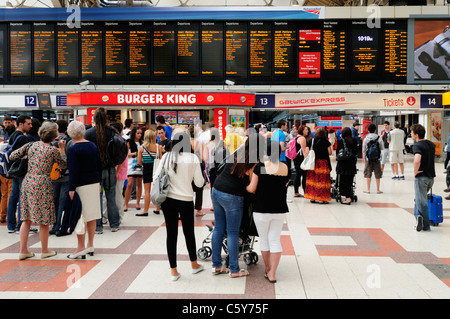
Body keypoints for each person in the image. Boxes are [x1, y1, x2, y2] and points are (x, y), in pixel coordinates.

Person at [10, 121, 67, 260]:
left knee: (26, 218)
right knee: (44, 220)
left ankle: (23, 250)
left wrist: (27, 157)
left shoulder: (31, 145)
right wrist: (62, 149)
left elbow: (12, 156)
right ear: (54, 137)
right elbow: (63, 165)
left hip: (28, 181)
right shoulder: (53, 151)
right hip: (43, 183)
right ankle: (44, 250)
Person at [153, 131, 205, 281]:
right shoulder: (193, 158)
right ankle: (194, 265)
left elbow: (156, 177)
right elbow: (199, 183)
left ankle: (173, 271)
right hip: (186, 200)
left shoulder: (167, 156)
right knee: (189, 233)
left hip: (168, 200)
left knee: (171, 234)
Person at [211, 134, 264, 278]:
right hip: (231, 196)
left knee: (219, 229)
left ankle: (216, 265)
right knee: (233, 233)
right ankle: (234, 269)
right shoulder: (253, 162)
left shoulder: (239, 152)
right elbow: (251, 188)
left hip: (216, 190)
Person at [246, 140, 290, 283]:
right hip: (279, 209)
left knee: (264, 240)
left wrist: (245, 188)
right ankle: (272, 273)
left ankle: (268, 268)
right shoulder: (286, 168)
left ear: (266, 153)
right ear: (280, 152)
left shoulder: (261, 167)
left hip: (261, 209)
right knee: (275, 240)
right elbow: (283, 185)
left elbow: (252, 189)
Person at [66, 121, 102, 259]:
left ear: (70, 133)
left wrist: (71, 188)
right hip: (93, 182)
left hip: (80, 184)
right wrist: (99, 182)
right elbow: (99, 165)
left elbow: (73, 170)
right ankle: (90, 244)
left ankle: (80, 247)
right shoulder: (92, 146)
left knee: (80, 216)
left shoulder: (74, 149)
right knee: (91, 215)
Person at [85, 107, 121, 233]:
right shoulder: (112, 131)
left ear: (94, 118)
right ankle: (114, 224)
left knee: (97, 198)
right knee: (111, 197)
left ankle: (98, 227)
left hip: (95, 170)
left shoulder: (89, 133)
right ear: (106, 118)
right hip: (110, 169)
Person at [6, 115, 33, 233]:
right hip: (22, 171)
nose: (30, 126)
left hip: (13, 170)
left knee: (13, 197)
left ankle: (11, 225)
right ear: (21, 124)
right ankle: (21, 226)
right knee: (23, 198)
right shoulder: (22, 138)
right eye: (28, 124)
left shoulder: (12, 136)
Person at [411, 124, 435, 232]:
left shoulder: (417, 145)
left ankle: (425, 225)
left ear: (416, 135)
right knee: (418, 199)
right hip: (431, 177)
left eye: (412, 132)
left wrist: (415, 171)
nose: (410, 134)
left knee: (422, 202)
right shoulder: (431, 144)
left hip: (421, 177)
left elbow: (417, 160)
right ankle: (418, 218)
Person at [50, 119, 71, 235]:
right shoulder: (69, 142)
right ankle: (60, 226)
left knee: (54, 202)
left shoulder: (51, 141)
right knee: (63, 203)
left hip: (53, 175)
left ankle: (54, 226)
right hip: (66, 176)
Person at [304, 128, 333, 204]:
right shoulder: (326, 142)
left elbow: (306, 152)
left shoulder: (311, 141)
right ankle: (321, 198)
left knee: (313, 180)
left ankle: (312, 198)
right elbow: (330, 153)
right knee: (322, 180)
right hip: (323, 163)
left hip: (313, 163)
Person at [137, 129, 161, 216]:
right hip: (156, 169)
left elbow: (139, 161)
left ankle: (145, 210)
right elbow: (161, 159)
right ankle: (157, 208)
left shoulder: (141, 148)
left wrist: (145, 163)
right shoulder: (158, 147)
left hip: (146, 168)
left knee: (147, 191)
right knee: (157, 189)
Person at [110, 122, 127, 222]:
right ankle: (117, 216)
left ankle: (119, 216)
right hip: (119, 173)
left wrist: (115, 173)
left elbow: (120, 160)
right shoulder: (122, 141)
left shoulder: (119, 142)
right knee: (117, 195)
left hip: (118, 173)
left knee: (117, 196)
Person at [335, 127, 358, 205]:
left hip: (343, 164)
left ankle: (346, 197)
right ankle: (349, 196)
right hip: (351, 164)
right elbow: (356, 152)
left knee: (342, 181)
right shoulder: (354, 140)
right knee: (349, 181)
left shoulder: (342, 141)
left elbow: (338, 152)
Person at [124, 127, 143, 212]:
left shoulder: (142, 142)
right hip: (131, 164)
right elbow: (126, 154)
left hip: (140, 164)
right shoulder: (129, 142)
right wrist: (136, 153)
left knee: (139, 183)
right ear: (134, 133)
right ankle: (126, 204)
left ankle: (138, 203)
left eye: (140, 133)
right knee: (130, 184)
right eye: (138, 133)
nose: (139, 135)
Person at [362, 123, 384, 194]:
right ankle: (378, 189)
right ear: (375, 130)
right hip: (377, 159)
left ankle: (368, 189)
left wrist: (365, 158)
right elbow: (382, 148)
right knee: (377, 174)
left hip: (369, 159)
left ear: (368, 130)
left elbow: (364, 149)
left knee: (368, 173)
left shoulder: (366, 139)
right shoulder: (379, 138)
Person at [293, 125, 309, 198]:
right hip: (301, 159)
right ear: (302, 130)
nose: (307, 131)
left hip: (296, 158)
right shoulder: (302, 138)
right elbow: (304, 151)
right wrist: (306, 161)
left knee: (298, 175)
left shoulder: (297, 137)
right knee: (304, 175)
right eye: (306, 130)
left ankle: (296, 192)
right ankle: (305, 192)